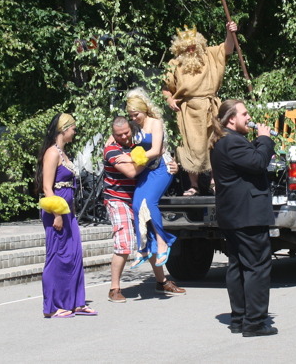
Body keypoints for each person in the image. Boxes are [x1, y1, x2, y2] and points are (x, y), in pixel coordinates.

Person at [209, 99, 277, 337]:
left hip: (235, 215)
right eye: (244, 114)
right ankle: (255, 322)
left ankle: (239, 318)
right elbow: (258, 163)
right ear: (231, 119)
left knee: (238, 266)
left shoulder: (225, 142)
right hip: (247, 216)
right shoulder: (233, 142)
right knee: (257, 267)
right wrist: (265, 139)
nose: (249, 118)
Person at [103, 116, 186, 302]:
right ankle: (114, 288)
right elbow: (132, 171)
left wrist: (169, 163)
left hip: (137, 199)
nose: (124, 137)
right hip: (118, 200)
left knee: (149, 237)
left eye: (126, 132)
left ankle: (161, 281)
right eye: (119, 134)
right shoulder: (111, 149)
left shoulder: (135, 146)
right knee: (124, 244)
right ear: (113, 134)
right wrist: (152, 158)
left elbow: (158, 151)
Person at [163, 21, 238, 196]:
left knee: (214, 143)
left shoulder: (209, 55)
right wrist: (169, 100)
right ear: (180, 48)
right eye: (186, 47)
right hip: (187, 109)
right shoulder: (174, 63)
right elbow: (167, 89)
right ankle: (194, 185)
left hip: (210, 106)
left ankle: (214, 182)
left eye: (193, 46)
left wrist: (230, 32)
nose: (190, 50)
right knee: (191, 147)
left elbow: (227, 48)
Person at [34, 113, 97, 318]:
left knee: (73, 255)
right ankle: (52, 306)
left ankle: (76, 302)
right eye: (73, 129)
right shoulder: (52, 153)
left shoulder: (63, 152)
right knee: (57, 255)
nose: (75, 132)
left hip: (68, 211)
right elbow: (46, 187)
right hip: (56, 211)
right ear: (64, 129)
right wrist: (57, 215)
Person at [126, 88, 177, 267]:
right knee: (137, 205)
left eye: (136, 114)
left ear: (144, 109)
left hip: (163, 168)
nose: (133, 118)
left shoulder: (155, 123)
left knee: (150, 203)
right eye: (131, 115)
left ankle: (163, 242)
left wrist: (132, 158)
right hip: (146, 170)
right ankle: (144, 247)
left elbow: (156, 150)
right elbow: (117, 137)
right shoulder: (133, 127)